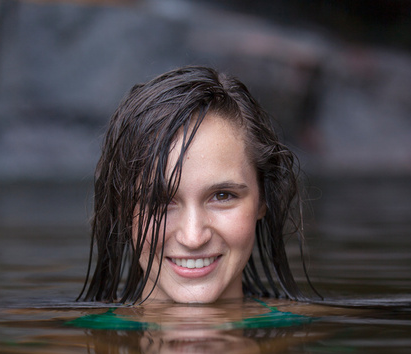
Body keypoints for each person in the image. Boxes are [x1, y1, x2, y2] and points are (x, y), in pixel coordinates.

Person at [80, 65, 315, 305]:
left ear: (262, 199)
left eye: (223, 196)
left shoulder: (314, 333)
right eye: (159, 200)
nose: (193, 238)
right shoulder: (67, 339)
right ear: (122, 207)